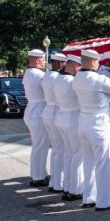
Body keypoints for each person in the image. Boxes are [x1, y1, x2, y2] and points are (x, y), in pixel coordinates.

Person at [72, 49, 110, 211]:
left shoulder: (77, 79)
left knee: (89, 162)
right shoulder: (98, 79)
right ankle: (104, 201)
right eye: (97, 62)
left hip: (83, 122)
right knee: (103, 162)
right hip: (99, 124)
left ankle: (89, 197)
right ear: (93, 62)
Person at [54, 54, 83, 201]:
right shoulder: (72, 81)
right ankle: (75, 189)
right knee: (78, 154)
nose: (80, 69)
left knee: (69, 153)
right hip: (73, 119)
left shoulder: (58, 79)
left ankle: (67, 186)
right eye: (79, 66)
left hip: (61, 117)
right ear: (73, 66)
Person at [41, 53, 68, 193]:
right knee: (60, 149)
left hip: (48, 111)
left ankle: (54, 181)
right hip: (56, 110)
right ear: (58, 63)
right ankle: (58, 183)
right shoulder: (57, 77)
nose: (65, 66)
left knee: (56, 149)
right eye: (64, 63)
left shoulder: (46, 75)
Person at [23, 49, 49, 187]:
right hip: (38, 110)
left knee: (38, 145)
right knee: (40, 145)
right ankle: (38, 176)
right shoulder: (39, 74)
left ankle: (39, 173)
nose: (45, 62)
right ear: (38, 60)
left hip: (32, 109)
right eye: (43, 59)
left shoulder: (28, 72)